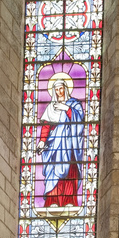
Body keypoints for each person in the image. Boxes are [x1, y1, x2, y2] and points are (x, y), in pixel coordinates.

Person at [36, 74, 84, 207]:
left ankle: (69, 200)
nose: (59, 92)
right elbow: (46, 126)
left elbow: (79, 122)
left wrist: (67, 109)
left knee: (70, 171)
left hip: (69, 144)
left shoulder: (74, 104)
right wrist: (42, 141)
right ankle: (53, 201)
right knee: (53, 171)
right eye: (56, 90)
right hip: (54, 145)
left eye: (61, 89)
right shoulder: (51, 107)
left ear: (66, 89)